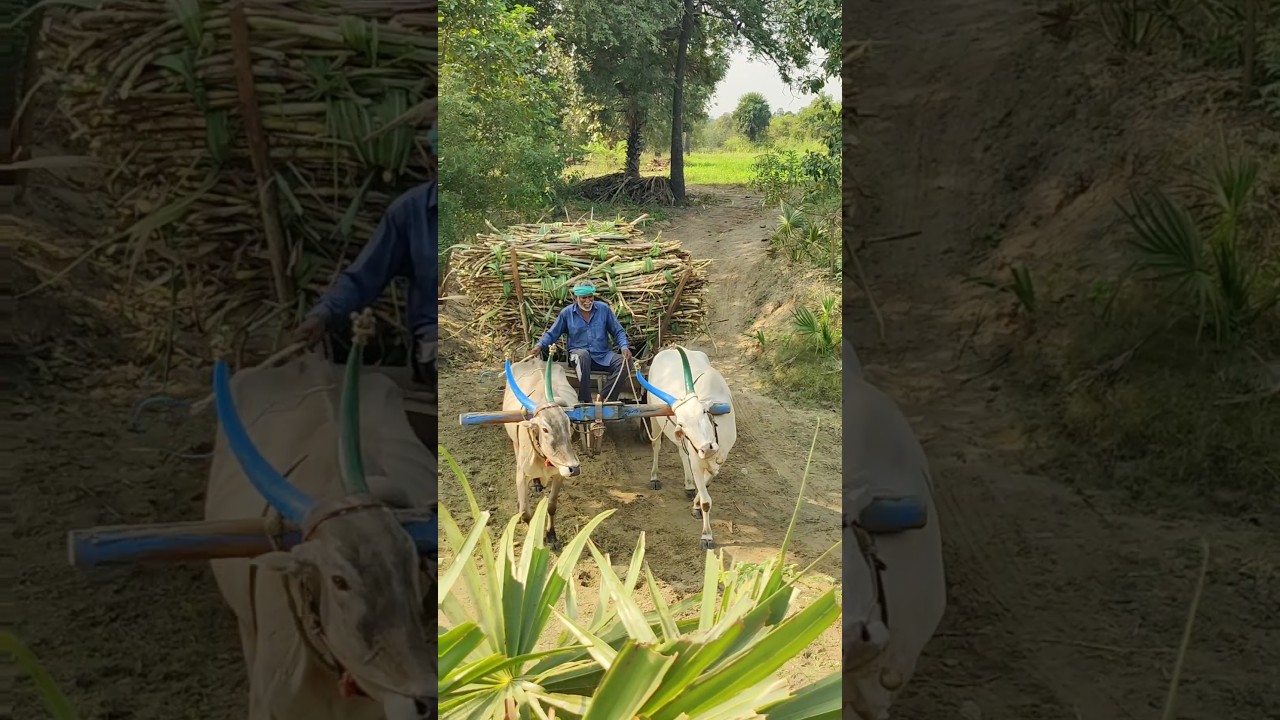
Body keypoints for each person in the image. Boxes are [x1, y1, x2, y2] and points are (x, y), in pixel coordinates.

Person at [533, 282, 633, 405]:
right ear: (576, 298)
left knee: (626, 361)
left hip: (602, 356)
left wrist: (624, 347)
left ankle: (604, 397)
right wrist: (539, 345)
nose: (588, 301)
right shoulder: (567, 313)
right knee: (583, 355)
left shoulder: (603, 309)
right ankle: (585, 400)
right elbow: (552, 334)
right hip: (578, 357)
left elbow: (618, 331)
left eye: (590, 297)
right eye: (583, 298)